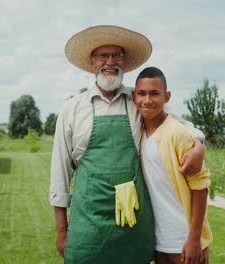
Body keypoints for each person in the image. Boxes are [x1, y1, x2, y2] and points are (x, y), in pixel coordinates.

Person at [50, 25, 206, 263]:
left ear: (124, 62)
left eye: (117, 55)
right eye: (103, 55)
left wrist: (198, 144)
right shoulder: (72, 108)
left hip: (133, 225)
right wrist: (62, 231)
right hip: (88, 224)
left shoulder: (138, 99)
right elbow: (59, 173)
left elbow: (180, 122)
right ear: (92, 62)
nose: (110, 62)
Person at [132, 67, 212, 264]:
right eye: (141, 93)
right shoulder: (138, 133)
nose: (147, 100)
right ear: (134, 96)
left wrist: (194, 239)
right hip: (159, 242)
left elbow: (201, 188)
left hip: (184, 242)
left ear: (166, 96)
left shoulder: (178, 134)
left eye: (154, 93)